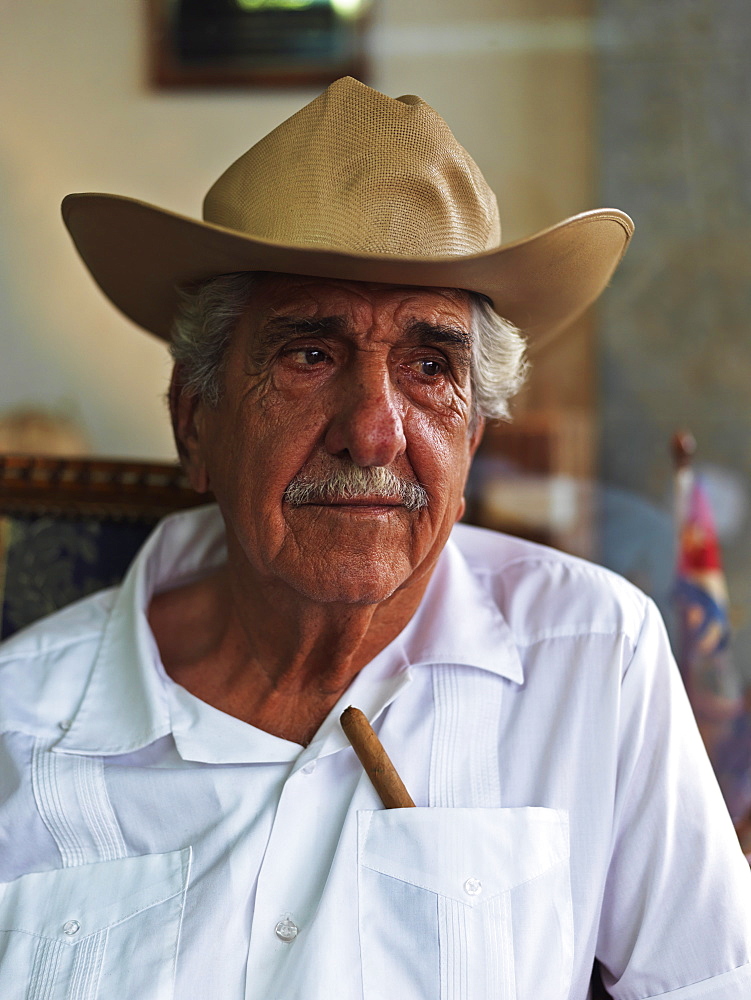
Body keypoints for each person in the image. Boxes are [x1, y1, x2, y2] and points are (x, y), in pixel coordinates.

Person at [1, 76, 749, 1000]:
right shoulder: (20, 723)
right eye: (308, 355)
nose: (375, 431)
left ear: (473, 436)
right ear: (195, 423)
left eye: (429, 366)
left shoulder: (593, 656)